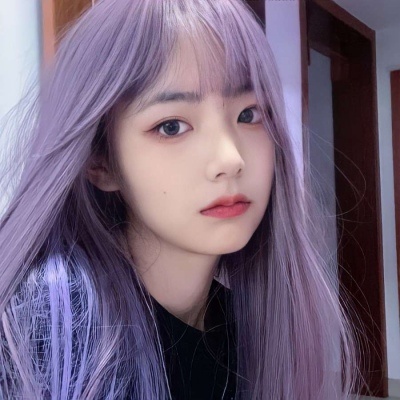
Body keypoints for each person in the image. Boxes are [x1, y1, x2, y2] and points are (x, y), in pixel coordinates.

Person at [0, 0, 360, 398]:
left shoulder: (260, 327)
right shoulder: (37, 333)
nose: (230, 159)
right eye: (171, 126)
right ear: (100, 161)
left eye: (249, 114)